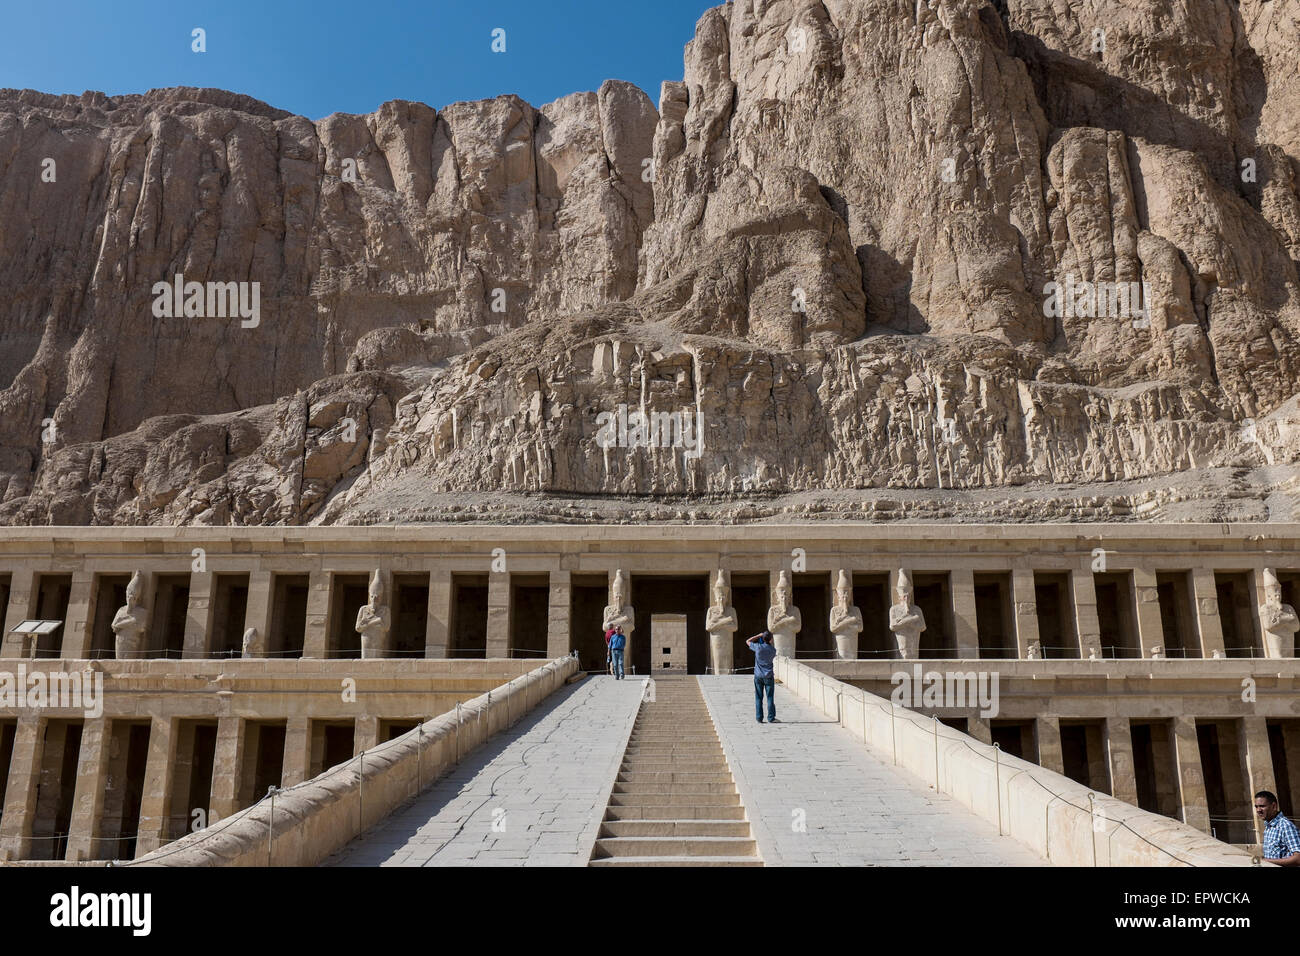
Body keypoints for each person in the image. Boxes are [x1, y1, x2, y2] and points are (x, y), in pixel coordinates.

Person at [1255, 790, 1300, 866]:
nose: (1258, 810)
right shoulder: (1268, 826)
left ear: (1274, 806)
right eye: (1256, 806)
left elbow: (1298, 858)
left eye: (1262, 806)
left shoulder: (1285, 826)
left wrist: (1265, 861)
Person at [746, 630, 778, 724]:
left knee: (759, 697)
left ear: (762, 638)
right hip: (768, 676)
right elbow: (770, 646)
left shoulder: (758, 647)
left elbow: (748, 641)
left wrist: (758, 635)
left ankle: (759, 718)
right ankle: (771, 717)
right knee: (770, 697)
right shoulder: (773, 650)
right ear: (771, 639)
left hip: (758, 675)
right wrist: (767, 639)